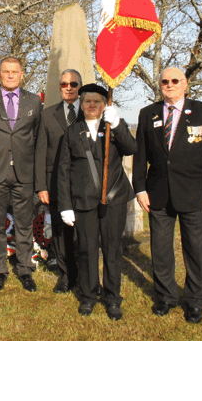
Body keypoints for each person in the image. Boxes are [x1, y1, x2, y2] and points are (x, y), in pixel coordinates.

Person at [133, 67, 202, 324]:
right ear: (160, 85)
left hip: (195, 195)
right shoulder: (147, 114)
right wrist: (140, 189)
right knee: (161, 250)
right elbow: (140, 156)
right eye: (165, 81)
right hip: (157, 194)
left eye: (175, 81)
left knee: (196, 250)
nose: (170, 85)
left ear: (185, 83)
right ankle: (165, 297)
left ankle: (195, 302)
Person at [57, 84, 137, 321]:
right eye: (88, 101)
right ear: (82, 105)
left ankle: (113, 298)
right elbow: (63, 171)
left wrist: (119, 124)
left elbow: (131, 148)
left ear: (105, 105)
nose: (92, 105)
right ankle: (89, 296)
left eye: (97, 102)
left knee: (112, 249)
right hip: (83, 202)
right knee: (87, 250)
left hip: (113, 200)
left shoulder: (113, 126)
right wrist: (65, 205)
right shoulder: (72, 132)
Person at [0, 56, 42, 292]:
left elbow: (35, 135)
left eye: (15, 71)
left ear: (22, 74)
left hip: (24, 171)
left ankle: (25, 269)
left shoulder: (34, 101)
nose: (11, 75)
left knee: (24, 223)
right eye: (6, 71)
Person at [35, 69, 82, 293]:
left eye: (73, 84)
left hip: (84, 184)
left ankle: (85, 275)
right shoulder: (47, 115)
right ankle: (66, 275)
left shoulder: (90, 112)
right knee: (61, 233)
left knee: (85, 232)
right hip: (55, 183)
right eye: (64, 84)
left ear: (80, 86)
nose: (69, 87)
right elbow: (40, 152)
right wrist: (41, 186)